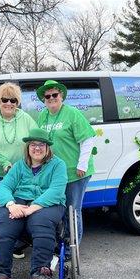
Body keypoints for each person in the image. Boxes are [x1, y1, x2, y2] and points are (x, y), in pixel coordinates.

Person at [0, 128, 67, 279]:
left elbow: (56, 190)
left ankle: (40, 275)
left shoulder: (58, 165)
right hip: (19, 202)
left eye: (41, 145)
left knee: (42, 223)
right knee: (4, 223)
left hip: (47, 204)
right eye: (33, 144)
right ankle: (0, 275)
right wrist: (11, 204)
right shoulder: (19, 165)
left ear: (47, 148)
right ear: (28, 147)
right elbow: (4, 186)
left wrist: (31, 208)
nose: (37, 148)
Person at [36, 80, 96, 247]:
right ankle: (60, 243)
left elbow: (87, 139)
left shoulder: (72, 113)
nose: (51, 98)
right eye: (47, 96)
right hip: (54, 173)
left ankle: (72, 247)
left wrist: (82, 165)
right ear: (44, 99)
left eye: (55, 94)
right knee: (58, 210)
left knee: (72, 211)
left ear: (61, 95)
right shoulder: (43, 116)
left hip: (75, 172)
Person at [0, 82, 37, 261]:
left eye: (13, 100)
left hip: (22, 174)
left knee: (19, 208)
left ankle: (13, 245)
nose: (9, 103)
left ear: (17, 102)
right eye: (5, 99)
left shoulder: (25, 118)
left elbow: (36, 140)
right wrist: (4, 162)